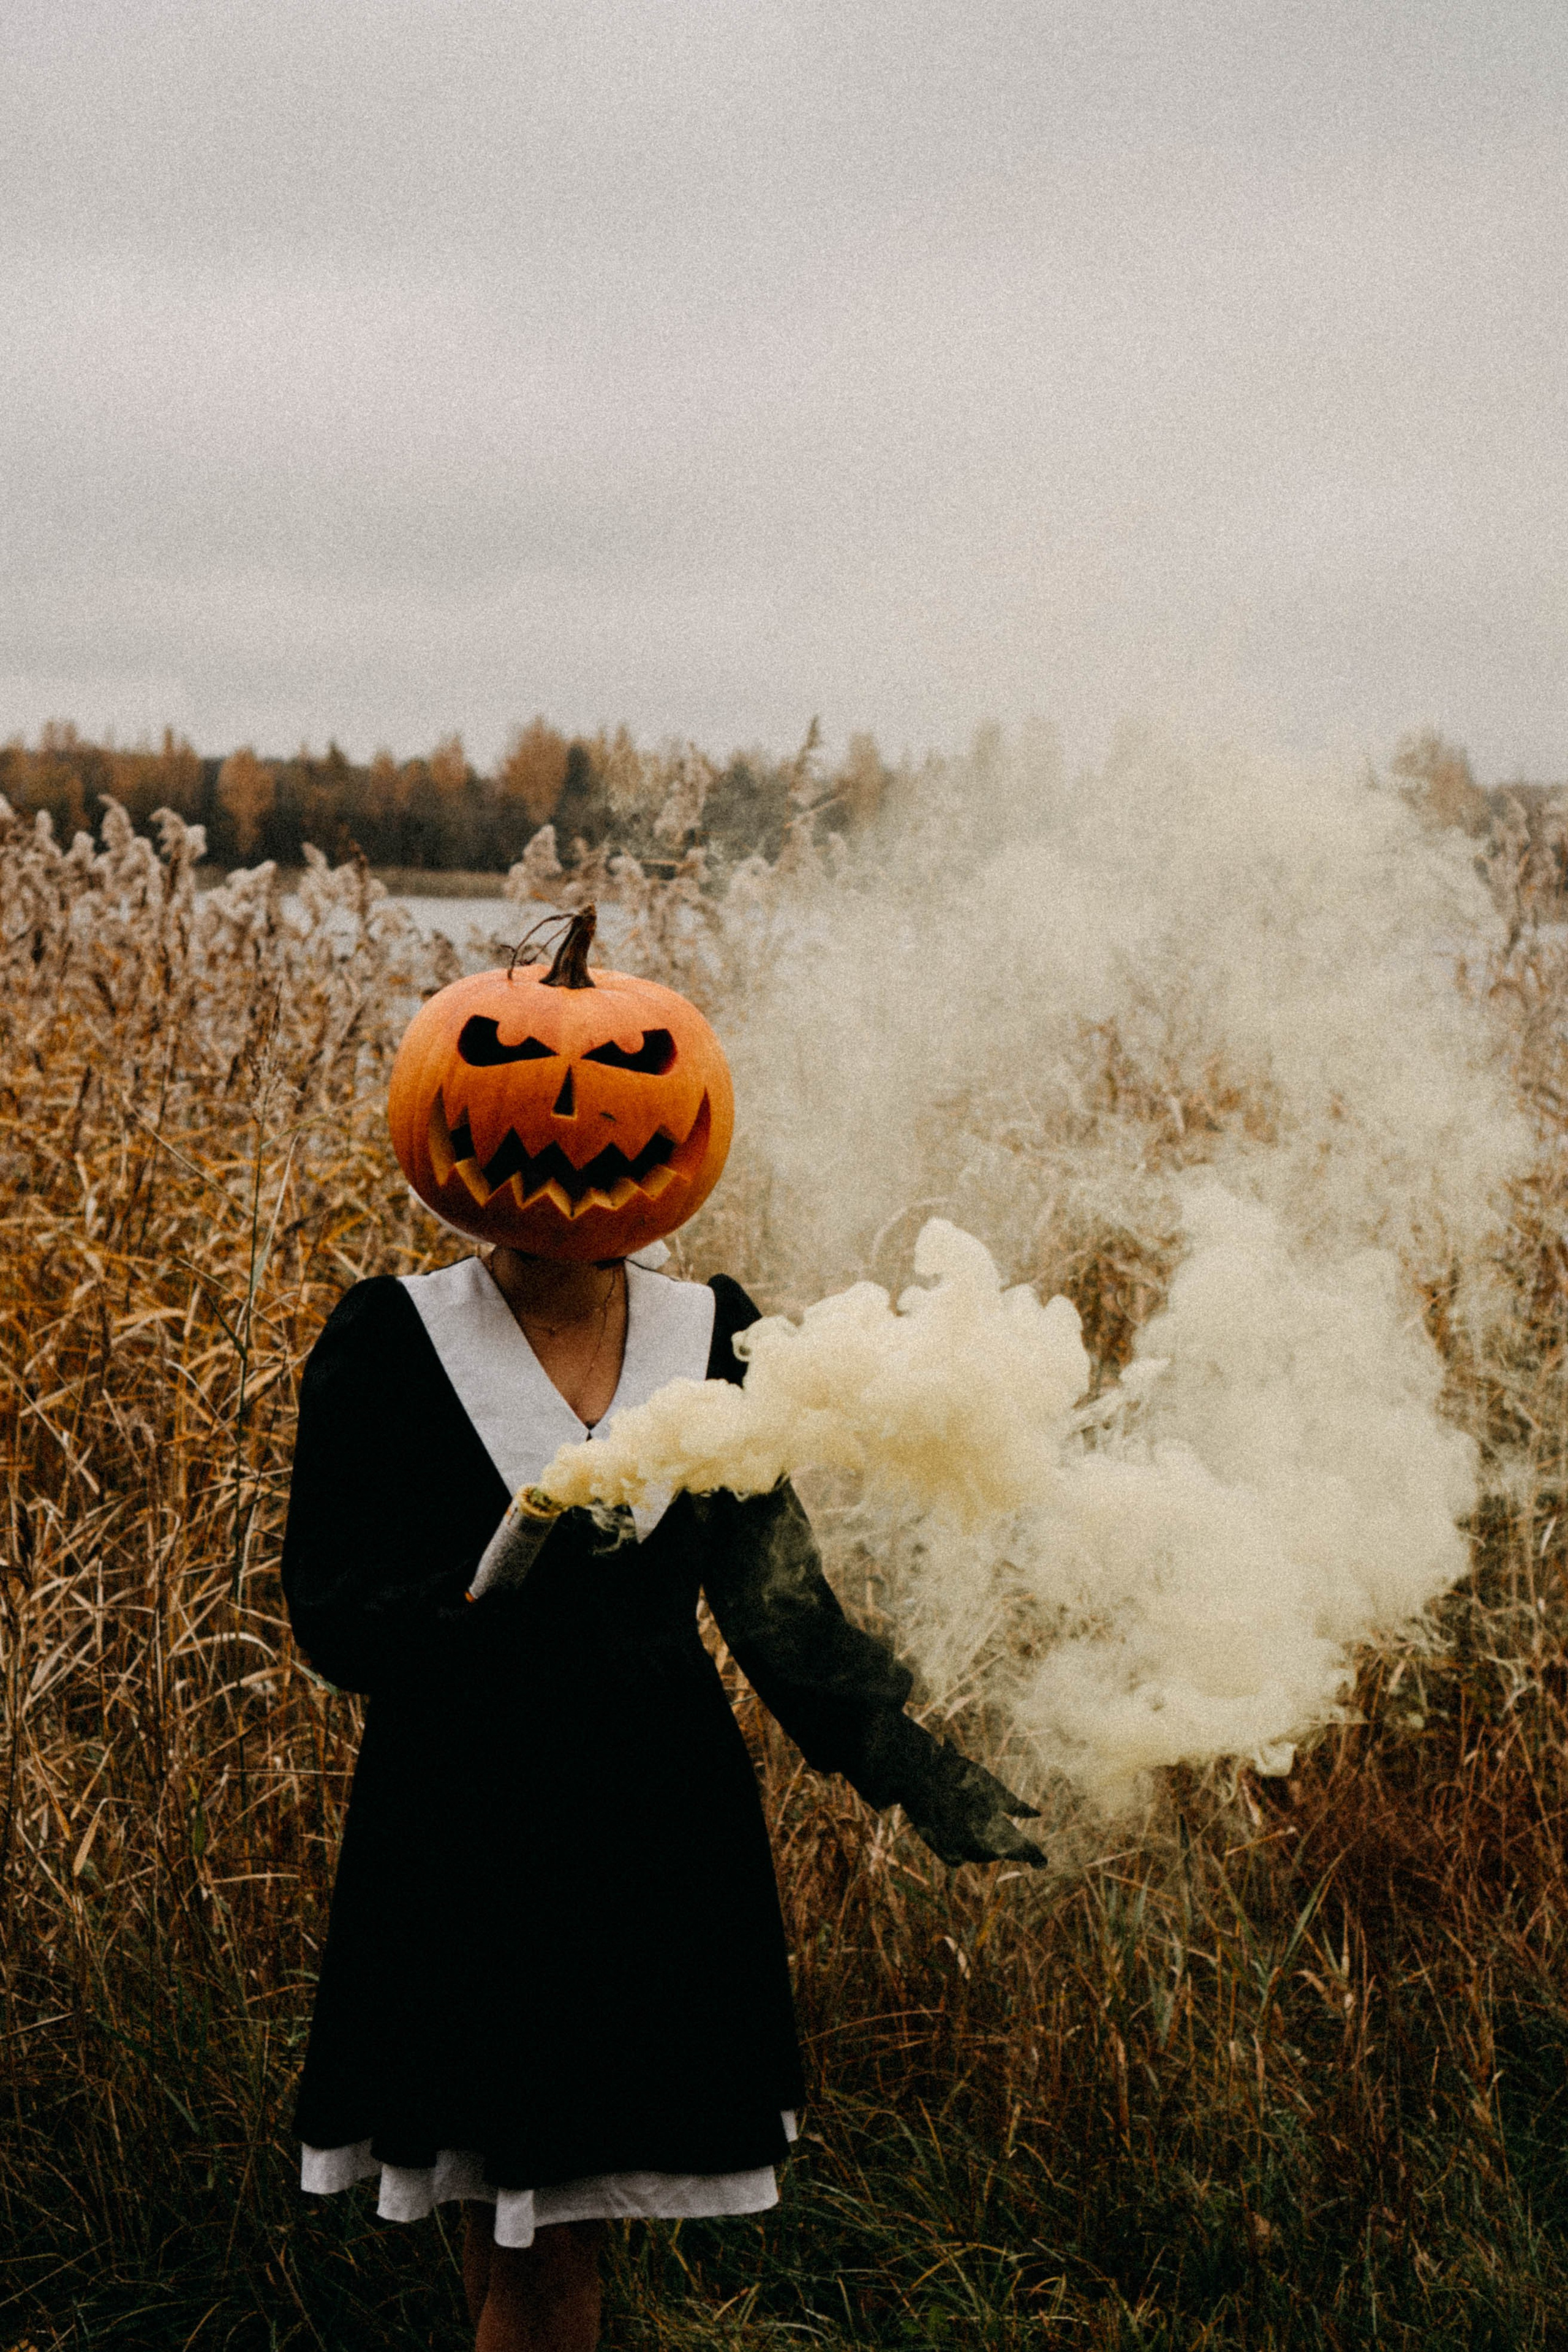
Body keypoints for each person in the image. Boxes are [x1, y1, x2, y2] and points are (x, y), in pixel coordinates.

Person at [282, 923, 1042, 2352]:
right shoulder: (388, 1338)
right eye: (512, 1072)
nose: (566, 1124)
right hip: (463, 1824)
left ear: (681, 1122)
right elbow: (328, 1603)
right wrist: (473, 1618)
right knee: (522, 2238)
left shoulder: (715, 1333)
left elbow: (780, 1612)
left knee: (536, 2239)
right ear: (445, 1106)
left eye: (624, 1078)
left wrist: (912, 1768)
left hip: (646, 1826)